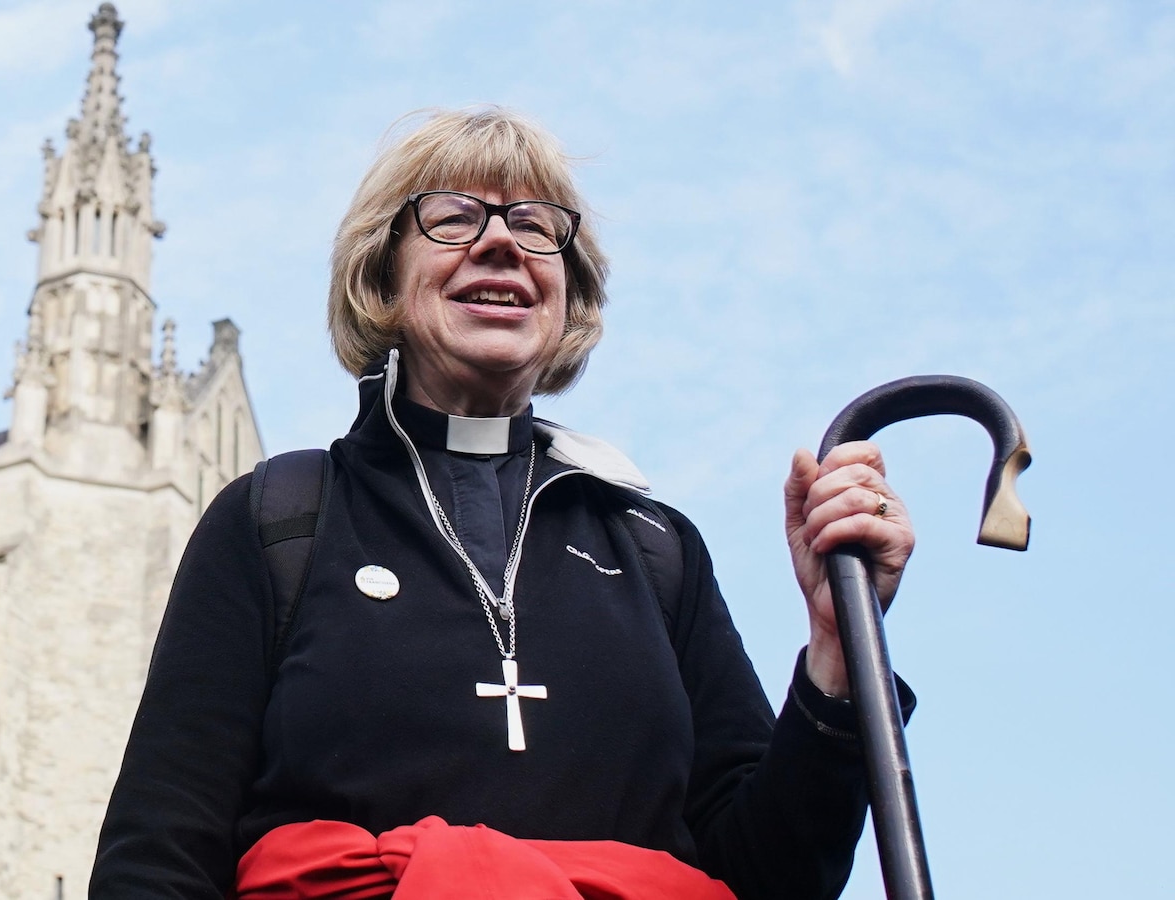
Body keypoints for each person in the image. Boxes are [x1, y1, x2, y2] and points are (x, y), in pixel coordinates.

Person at [89, 107, 916, 900]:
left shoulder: (656, 549)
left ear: (565, 290)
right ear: (383, 273)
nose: (500, 242)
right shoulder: (275, 519)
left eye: (534, 224)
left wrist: (840, 657)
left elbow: (768, 879)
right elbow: (160, 856)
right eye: (453, 218)